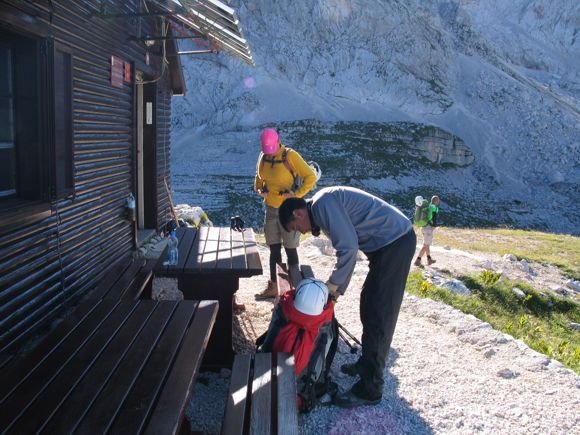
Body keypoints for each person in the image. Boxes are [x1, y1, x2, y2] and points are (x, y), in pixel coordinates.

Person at [278, 186, 416, 408]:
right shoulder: (322, 206)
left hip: (395, 243)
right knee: (368, 304)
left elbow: (349, 249)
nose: (302, 232)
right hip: (387, 246)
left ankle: (370, 389)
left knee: (379, 314)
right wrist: (337, 289)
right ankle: (365, 364)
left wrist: (333, 286)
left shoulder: (323, 205)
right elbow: (349, 247)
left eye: (296, 227)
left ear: (298, 213)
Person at [254, 128, 317, 300]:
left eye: (272, 149)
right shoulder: (264, 157)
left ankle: (295, 288)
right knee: (274, 249)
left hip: (288, 211)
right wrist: (260, 190)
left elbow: (310, 177)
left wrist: (296, 196)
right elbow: (258, 179)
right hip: (271, 208)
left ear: (278, 142)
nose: (270, 152)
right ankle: (275, 286)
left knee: (290, 249)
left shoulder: (290, 156)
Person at [414, 195, 441, 267]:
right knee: (426, 245)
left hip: (424, 227)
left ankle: (429, 259)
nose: (439, 201)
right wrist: (433, 226)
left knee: (426, 244)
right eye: (438, 200)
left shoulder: (427, 207)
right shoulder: (433, 207)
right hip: (428, 228)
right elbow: (433, 218)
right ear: (435, 201)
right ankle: (418, 260)